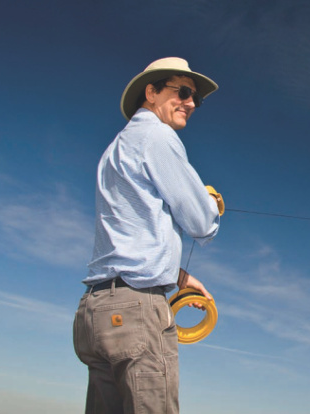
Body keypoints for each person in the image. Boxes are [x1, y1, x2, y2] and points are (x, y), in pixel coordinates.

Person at [73, 57, 224, 414]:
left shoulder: (116, 148)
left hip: (94, 313)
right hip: (135, 313)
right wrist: (212, 204)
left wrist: (177, 274)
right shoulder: (157, 135)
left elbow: (129, 234)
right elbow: (201, 222)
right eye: (183, 92)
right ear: (151, 92)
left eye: (195, 99)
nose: (191, 103)